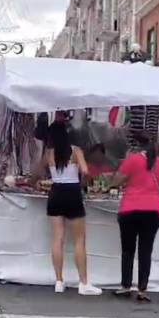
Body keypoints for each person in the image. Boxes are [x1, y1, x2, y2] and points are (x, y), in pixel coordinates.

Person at [31, 121, 102, 296]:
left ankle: (59, 281)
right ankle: (83, 283)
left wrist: (34, 182)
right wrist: (86, 184)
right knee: (79, 240)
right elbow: (85, 172)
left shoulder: (49, 154)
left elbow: (35, 173)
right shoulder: (76, 151)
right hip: (73, 193)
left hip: (55, 194)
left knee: (57, 238)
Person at [108, 131, 159, 302]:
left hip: (130, 208)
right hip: (153, 210)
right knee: (146, 250)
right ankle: (143, 289)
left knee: (128, 249)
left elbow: (117, 180)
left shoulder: (132, 159)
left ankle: (126, 286)